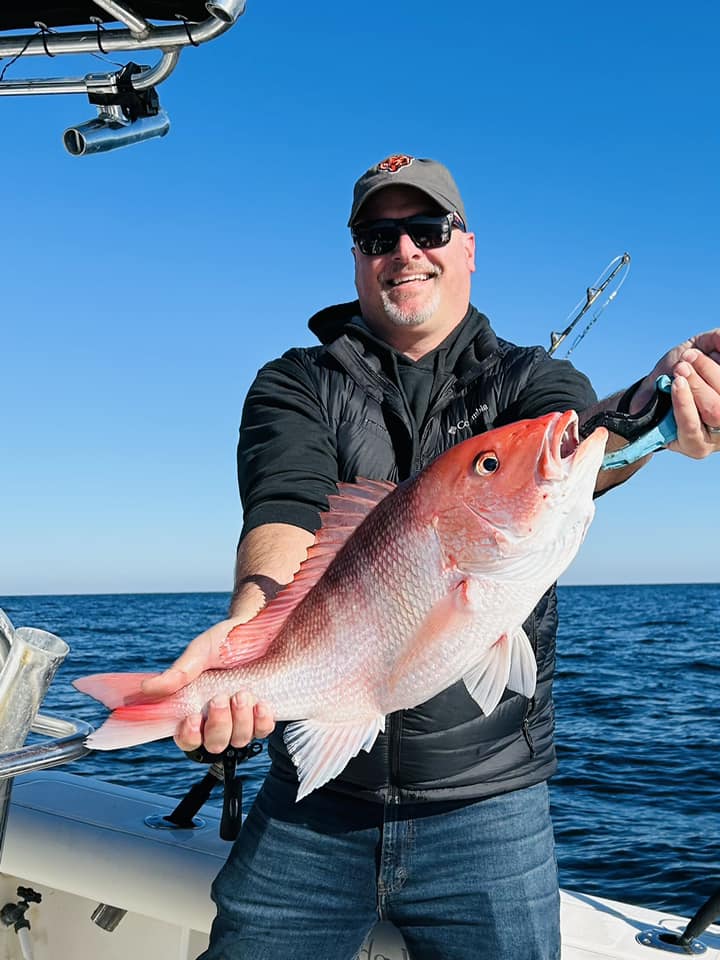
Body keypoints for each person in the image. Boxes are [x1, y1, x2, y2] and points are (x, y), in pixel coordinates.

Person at [143, 155, 720, 960]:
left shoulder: (534, 377)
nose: (405, 249)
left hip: (491, 809)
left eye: (428, 229)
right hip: (313, 806)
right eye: (380, 235)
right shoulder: (295, 381)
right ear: (356, 257)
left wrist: (659, 406)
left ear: (468, 247)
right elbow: (287, 503)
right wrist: (248, 629)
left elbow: (579, 447)